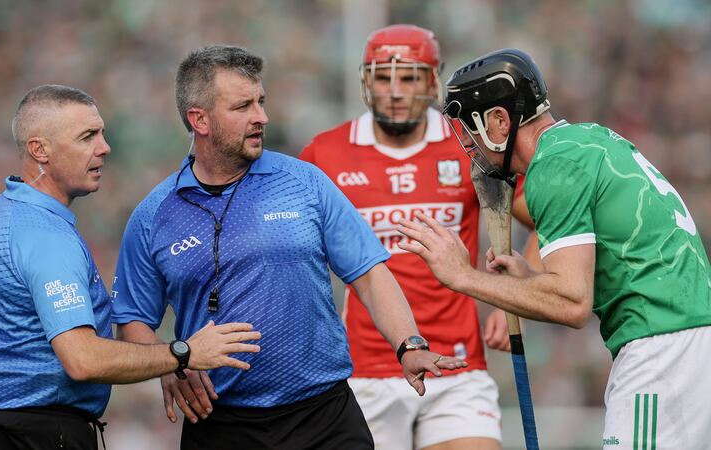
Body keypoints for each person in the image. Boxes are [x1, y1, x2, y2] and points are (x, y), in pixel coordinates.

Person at [111, 45, 467, 450]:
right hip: (221, 424)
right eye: (243, 106)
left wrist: (409, 345)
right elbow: (133, 318)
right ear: (200, 120)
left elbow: (369, 273)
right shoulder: (154, 214)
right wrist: (172, 363)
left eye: (261, 102)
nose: (261, 116)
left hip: (325, 416)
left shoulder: (305, 182)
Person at [398, 48, 711, 449]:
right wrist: (530, 282)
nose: (470, 147)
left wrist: (463, 276)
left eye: (470, 130)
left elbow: (572, 303)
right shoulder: (587, 140)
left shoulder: (552, 166)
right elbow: (593, 272)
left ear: (498, 121)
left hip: (663, 348)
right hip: (684, 341)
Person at [0, 84, 262, 450]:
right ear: (40, 150)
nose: (105, 147)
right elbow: (82, 359)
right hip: (34, 434)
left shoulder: (0, 213)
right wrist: (183, 353)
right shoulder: (43, 235)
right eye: (87, 137)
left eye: (101, 133)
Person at [300, 24, 539, 450]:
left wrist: (516, 290)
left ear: (432, 82)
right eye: (382, 77)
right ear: (365, 81)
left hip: (458, 364)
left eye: (408, 77)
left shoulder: (467, 141)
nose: (394, 90)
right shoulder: (326, 152)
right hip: (365, 368)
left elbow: (542, 217)